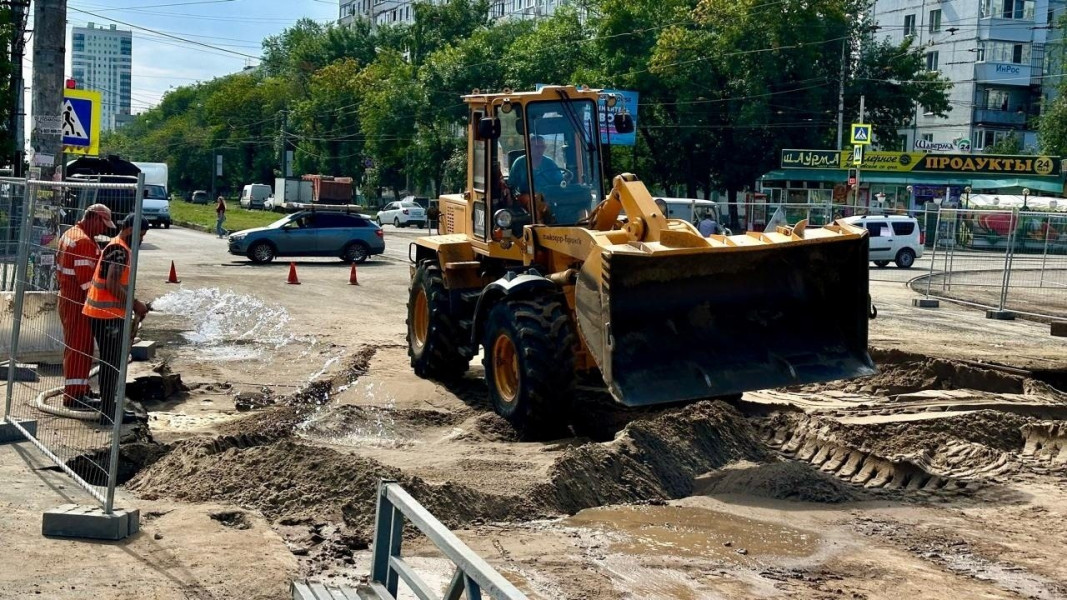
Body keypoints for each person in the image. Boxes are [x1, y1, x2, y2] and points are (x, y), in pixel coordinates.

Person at [82, 214, 150, 426]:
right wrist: (134, 304)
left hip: (105, 315)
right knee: (111, 365)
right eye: (140, 235)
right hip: (106, 317)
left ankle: (109, 410)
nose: (141, 240)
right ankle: (109, 413)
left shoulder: (117, 246)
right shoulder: (119, 250)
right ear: (129, 230)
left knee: (110, 364)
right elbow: (112, 283)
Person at [56, 204, 115, 411]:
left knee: (80, 347)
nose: (104, 230)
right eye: (103, 224)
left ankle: (80, 389)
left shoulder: (71, 234)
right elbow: (87, 284)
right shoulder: (83, 242)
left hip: (70, 299)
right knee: (79, 348)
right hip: (78, 303)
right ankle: (74, 395)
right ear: (94, 218)